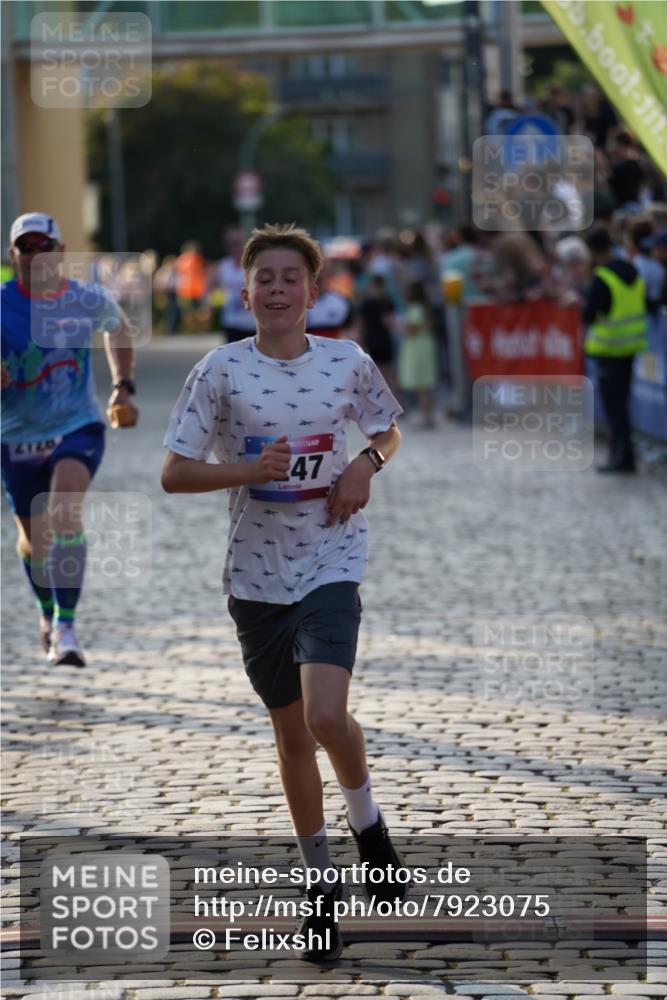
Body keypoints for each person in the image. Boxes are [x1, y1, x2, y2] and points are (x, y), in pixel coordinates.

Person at [161, 223, 405, 964]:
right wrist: (245, 470)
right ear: (245, 293)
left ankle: (369, 828)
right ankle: (319, 885)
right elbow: (174, 473)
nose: (275, 288)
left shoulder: (348, 362)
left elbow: (388, 430)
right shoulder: (219, 371)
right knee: (293, 734)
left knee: (328, 713)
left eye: (288, 277)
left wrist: (364, 464)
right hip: (255, 574)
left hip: (331, 554)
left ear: (312, 291)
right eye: (263, 277)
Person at [1, 212, 139, 665]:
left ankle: (66, 626)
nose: (36, 254)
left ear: (60, 253)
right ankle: (46, 613)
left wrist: (123, 386)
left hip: (76, 425)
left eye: (45, 246)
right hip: (15, 433)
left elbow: (118, 328)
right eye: (27, 246)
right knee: (34, 540)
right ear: (12, 254)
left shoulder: (84, 298)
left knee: (63, 510)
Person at [583, 226, 647, 473]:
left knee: (614, 407)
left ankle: (622, 458)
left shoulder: (602, 277)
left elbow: (589, 314)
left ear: (593, 251)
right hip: (632, 347)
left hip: (609, 350)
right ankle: (625, 455)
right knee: (623, 404)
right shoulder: (632, 269)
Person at [398, 280, 439, 429]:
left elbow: (412, 329)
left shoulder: (415, 308)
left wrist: (399, 326)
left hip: (418, 346)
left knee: (422, 384)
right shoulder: (425, 307)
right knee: (426, 383)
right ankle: (429, 417)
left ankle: (427, 418)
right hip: (424, 344)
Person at [210, 227, 256, 344]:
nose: (234, 246)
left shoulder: (254, 265)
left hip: (254, 324)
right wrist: (211, 304)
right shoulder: (222, 266)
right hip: (231, 322)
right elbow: (210, 288)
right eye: (229, 243)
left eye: (237, 242)